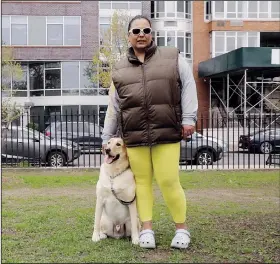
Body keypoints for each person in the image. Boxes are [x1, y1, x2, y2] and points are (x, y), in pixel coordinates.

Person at [101, 15, 198, 249]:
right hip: (134, 137)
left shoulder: (172, 57)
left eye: (145, 30)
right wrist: (107, 137)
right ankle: (146, 229)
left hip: (167, 132)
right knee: (142, 183)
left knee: (168, 180)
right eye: (136, 31)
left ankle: (181, 229)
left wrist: (188, 118)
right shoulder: (120, 68)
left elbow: (188, 85)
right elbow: (114, 106)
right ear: (129, 36)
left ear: (152, 34)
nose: (141, 34)